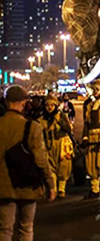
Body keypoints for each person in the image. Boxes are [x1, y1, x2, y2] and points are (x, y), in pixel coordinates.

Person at [0, 86, 56, 241]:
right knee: (26, 228)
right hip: (27, 185)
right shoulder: (32, 127)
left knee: (4, 229)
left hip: (3, 186)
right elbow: (41, 159)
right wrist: (50, 184)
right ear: (25, 103)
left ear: (5, 102)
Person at [39, 95, 74, 198]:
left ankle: (61, 189)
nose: (49, 107)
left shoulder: (61, 116)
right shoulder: (41, 118)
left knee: (63, 166)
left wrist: (59, 120)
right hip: (48, 145)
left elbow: (68, 129)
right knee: (50, 167)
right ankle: (53, 188)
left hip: (62, 143)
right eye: (47, 105)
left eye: (52, 105)